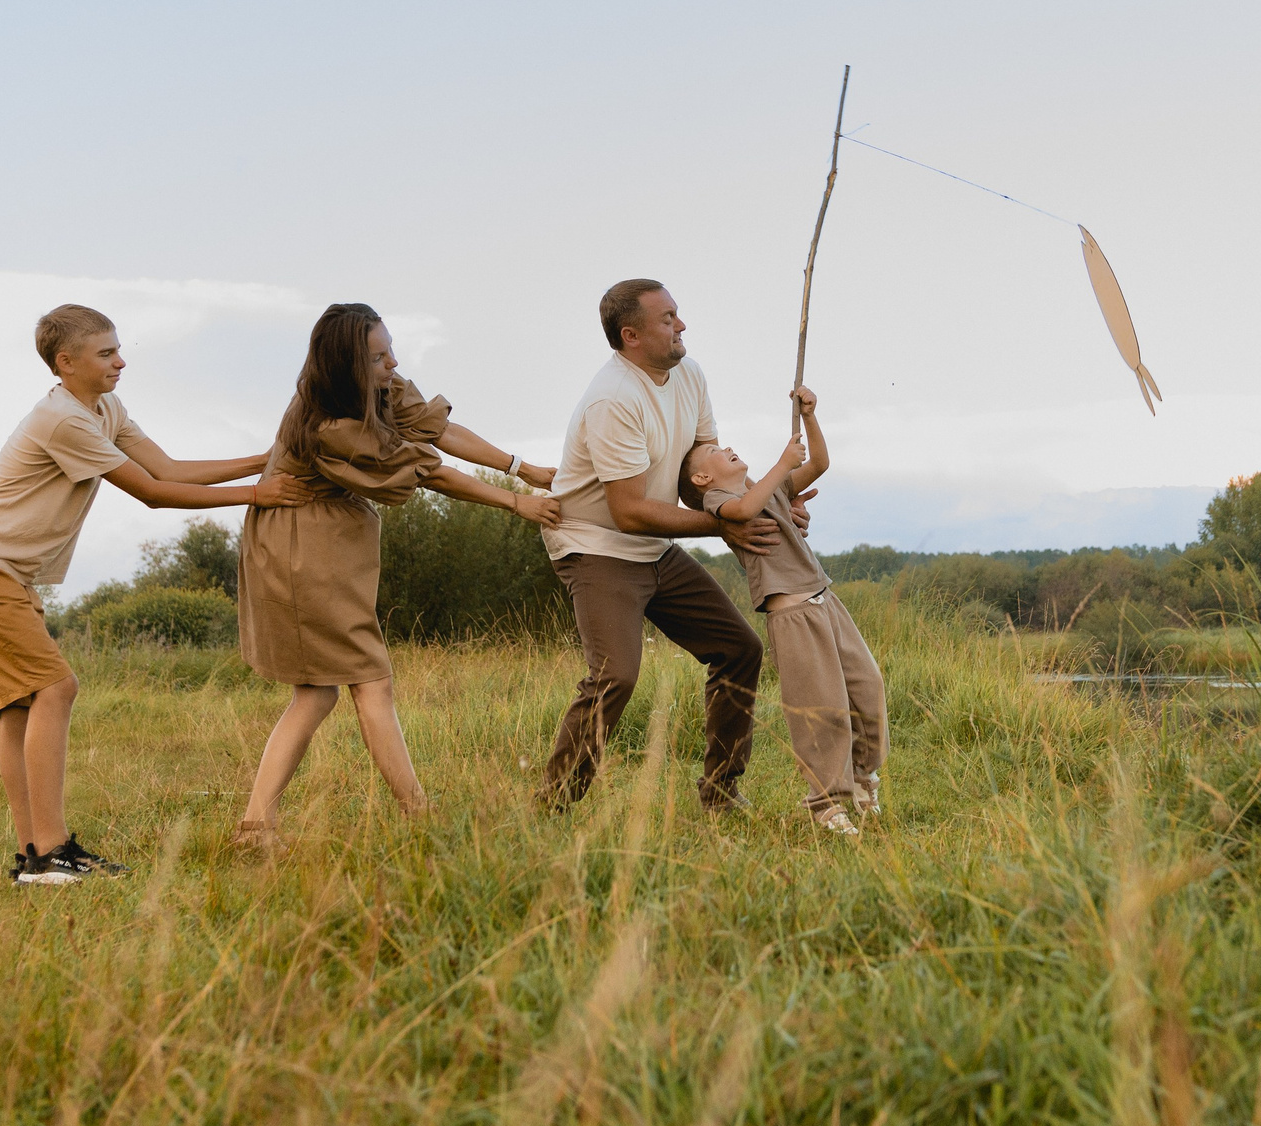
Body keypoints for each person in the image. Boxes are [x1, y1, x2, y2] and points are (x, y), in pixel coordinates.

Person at [0, 304, 311, 886]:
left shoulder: (104, 408)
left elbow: (168, 467)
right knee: (56, 689)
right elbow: (153, 493)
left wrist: (266, 460)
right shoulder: (64, 420)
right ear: (67, 362)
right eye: (106, 353)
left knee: (19, 707)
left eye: (117, 349)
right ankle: (53, 851)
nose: (121, 361)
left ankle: (35, 858)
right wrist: (257, 495)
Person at [235, 303, 561, 843]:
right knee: (371, 680)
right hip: (298, 546)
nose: (392, 363)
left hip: (326, 540)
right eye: (378, 356)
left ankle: (255, 826)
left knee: (317, 693)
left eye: (390, 349)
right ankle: (419, 815)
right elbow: (430, 472)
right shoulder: (328, 424)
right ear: (345, 364)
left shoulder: (381, 385)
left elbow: (440, 432)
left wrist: (521, 466)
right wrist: (515, 503)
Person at [539, 279, 803, 813]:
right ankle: (552, 807)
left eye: (678, 314)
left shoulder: (690, 374)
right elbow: (629, 511)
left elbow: (698, 472)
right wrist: (723, 529)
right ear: (631, 335)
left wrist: (759, 504)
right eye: (668, 319)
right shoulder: (612, 399)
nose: (682, 326)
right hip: (597, 546)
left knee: (739, 649)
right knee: (615, 675)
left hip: (654, 546)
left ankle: (721, 795)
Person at [679, 386, 886, 835]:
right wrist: (780, 466)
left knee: (867, 685)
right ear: (701, 480)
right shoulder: (721, 503)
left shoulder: (764, 488)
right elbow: (745, 508)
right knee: (821, 709)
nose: (728, 447)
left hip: (826, 600)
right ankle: (826, 804)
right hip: (793, 616)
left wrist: (809, 417)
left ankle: (864, 775)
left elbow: (820, 465)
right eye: (715, 450)